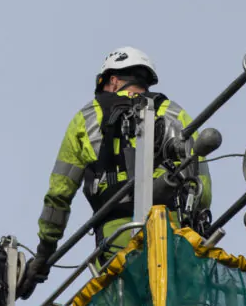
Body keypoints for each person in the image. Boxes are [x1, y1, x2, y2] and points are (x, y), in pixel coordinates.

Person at [25, 46, 211, 292]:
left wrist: (45, 252)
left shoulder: (87, 118)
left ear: (112, 80)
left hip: (117, 235)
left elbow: (59, 193)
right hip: (174, 228)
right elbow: (202, 188)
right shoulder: (176, 113)